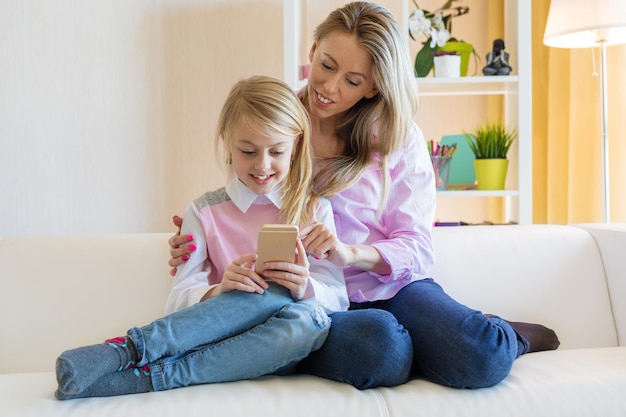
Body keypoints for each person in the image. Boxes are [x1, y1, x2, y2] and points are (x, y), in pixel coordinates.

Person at [168, 2, 559, 390]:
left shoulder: (398, 137)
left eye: (353, 81)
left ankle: (499, 333)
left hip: (388, 288)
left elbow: (418, 246)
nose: (329, 87)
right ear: (313, 48)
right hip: (313, 300)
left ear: (375, 84)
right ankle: (423, 345)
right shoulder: (283, 114)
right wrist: (197, 233)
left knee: (481, 355)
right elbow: (244, 185)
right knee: (383, 351)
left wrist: (350, 253)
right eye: (326, 65)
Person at [54, 75, 348, 400]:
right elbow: (178, 299)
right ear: (227, 142)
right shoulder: (204, 212)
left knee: (308, 319)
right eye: (248, 151)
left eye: (276, 151)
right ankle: (129, 352)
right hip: (219, 336)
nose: (262, 165)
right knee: (263, 292)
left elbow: (338, 299)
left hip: (278, 344)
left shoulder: (315, 210)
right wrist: (220, 289)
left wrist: (303, 286)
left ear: (295, 146)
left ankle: (150, 372)